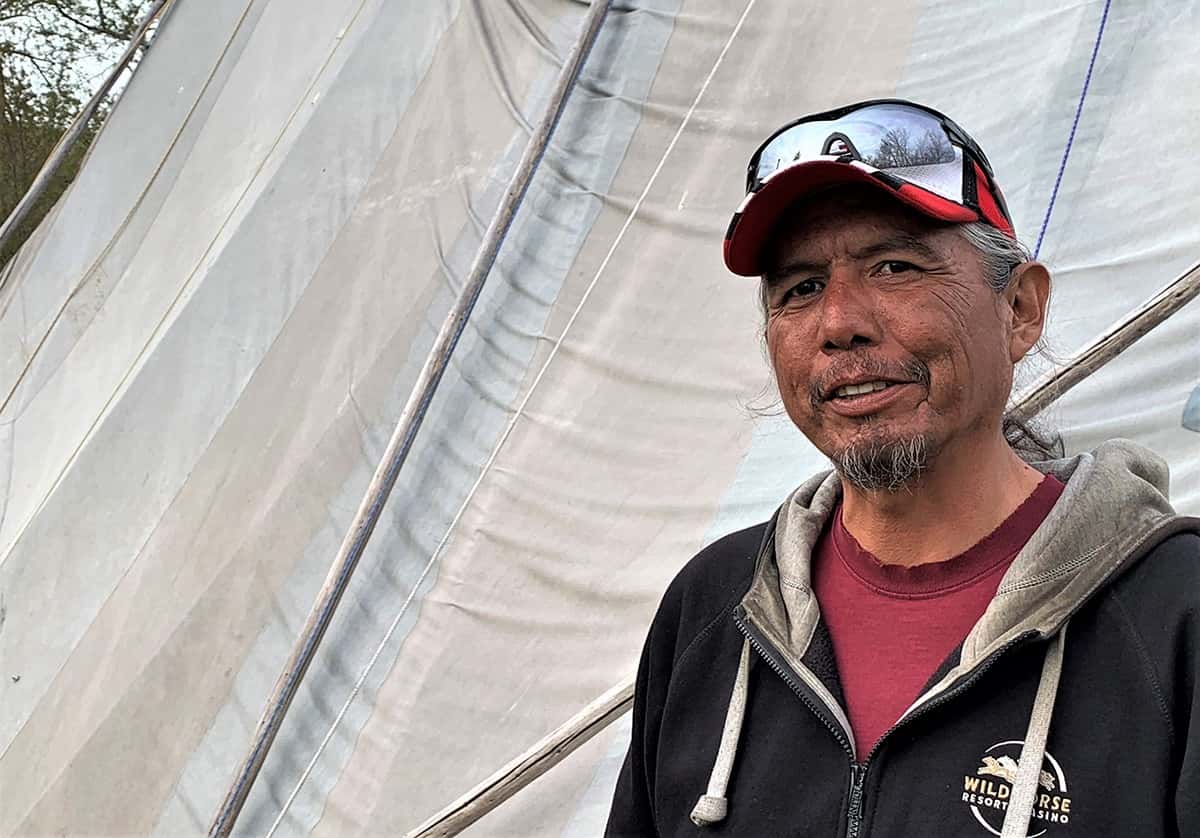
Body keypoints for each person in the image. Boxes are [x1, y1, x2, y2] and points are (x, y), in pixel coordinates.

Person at [605, 99, 1200, 837]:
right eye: (800, 288)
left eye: (893, 266)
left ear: (1020, 309)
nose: (838, 322)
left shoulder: (1175, 614)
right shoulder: (715, 609)